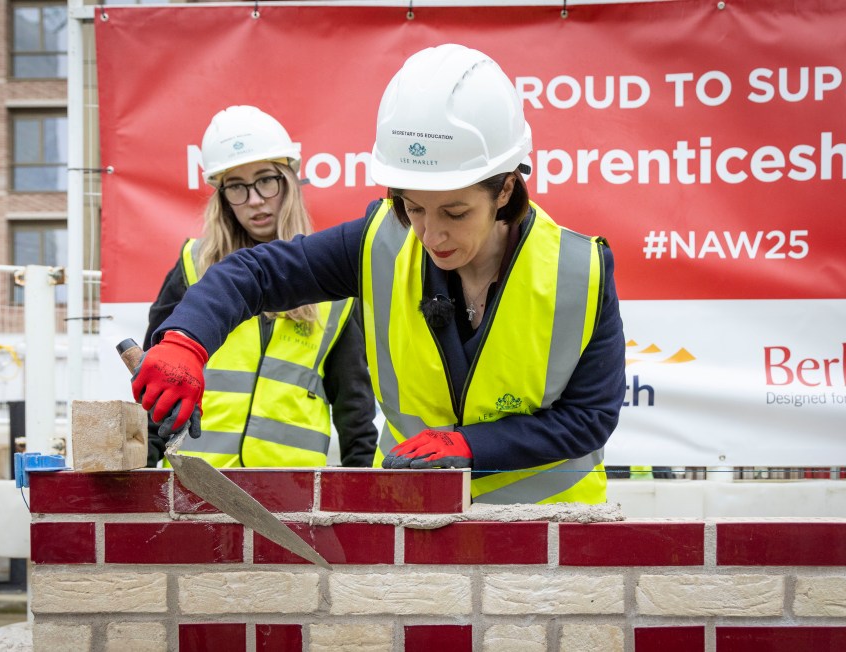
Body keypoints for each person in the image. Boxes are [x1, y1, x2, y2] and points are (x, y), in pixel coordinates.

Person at [133, 45, 627, 504]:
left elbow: (589, 418)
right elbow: (253, 274)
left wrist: (473, 446)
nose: (431, 236)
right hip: (414, 516)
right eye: (413, 208)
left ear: (504, 190)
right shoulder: (381, 242)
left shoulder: (578, 271)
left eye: (455, 213)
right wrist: (185, 341)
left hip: (548, 538)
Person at [141, 105, 379, 469]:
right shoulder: (192, 266)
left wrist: (362, 504)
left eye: (266, 180)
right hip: (200, 483)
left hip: (293, 497)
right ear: (222, 197)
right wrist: (140, 473)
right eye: (237, 186)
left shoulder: (334, 286)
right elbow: (155, 386)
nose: (254, 199)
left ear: (290, 181)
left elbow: (355, 414)